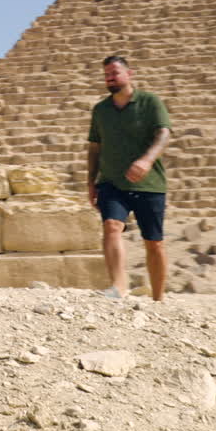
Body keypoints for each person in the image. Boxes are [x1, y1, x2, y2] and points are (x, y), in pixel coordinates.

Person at [86, 55, 172, 301]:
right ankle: (119, 287)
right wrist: (90, 182)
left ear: (129, 73)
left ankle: (158, 299)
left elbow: (163, 135)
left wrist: (146, 160)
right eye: (106, 75)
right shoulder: (101, 110)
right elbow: (94, 148)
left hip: (150, 184)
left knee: (154, 243)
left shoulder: (150, 102)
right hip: (111, 182)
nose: (110, 78)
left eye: (114, 73)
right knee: (111, 227)